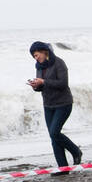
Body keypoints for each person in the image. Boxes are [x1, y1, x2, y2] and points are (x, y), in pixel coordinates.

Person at [27, 41, 82, 170]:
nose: (36, 58)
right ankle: (62, 167)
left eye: (36, 55)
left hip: (63, 104)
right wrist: (36, 86)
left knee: (55, 132)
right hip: (48, 105)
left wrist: (44, 81)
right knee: (53, 137)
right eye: (34, 56)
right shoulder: (39, 67)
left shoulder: (59, 63)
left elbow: (63, 83)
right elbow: (42, 86)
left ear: (43, 51)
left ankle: (76, 151)